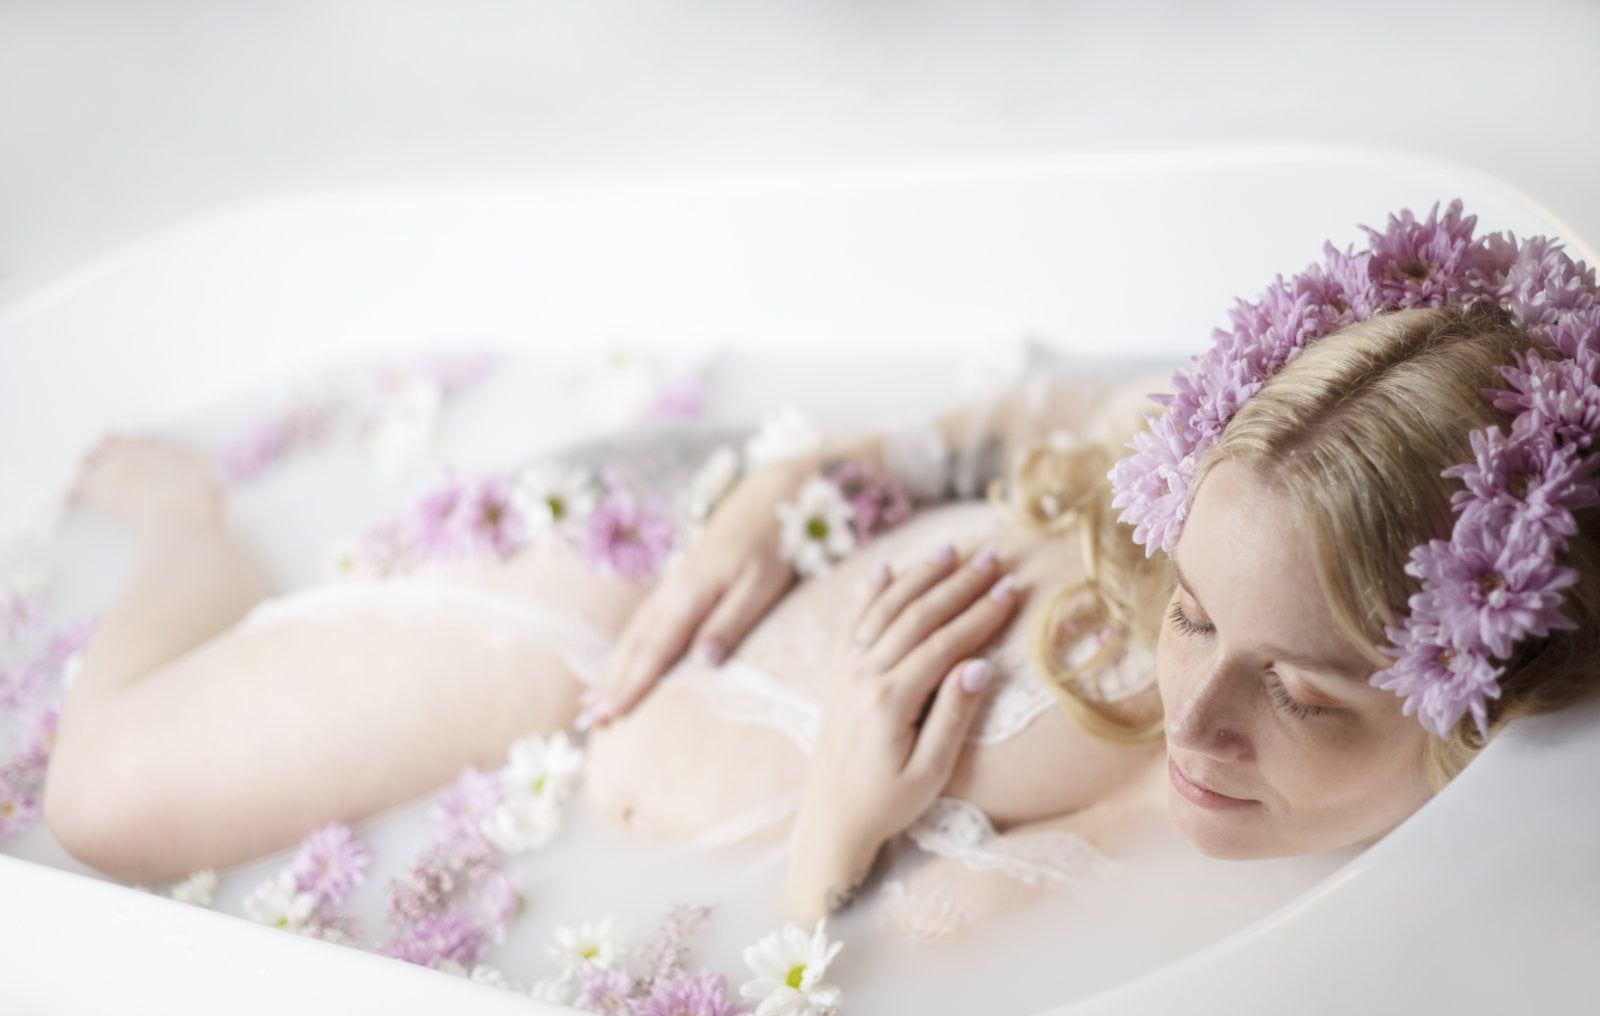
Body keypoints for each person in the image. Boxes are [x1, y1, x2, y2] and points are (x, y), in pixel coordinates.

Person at [42, 200, 1600, 938]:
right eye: (1190, 613)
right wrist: (806, 482)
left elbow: (834, 1009)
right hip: (637, 595)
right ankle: (198, 532)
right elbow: (1005, 422)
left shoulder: (1324, 865)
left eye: (1312, 698)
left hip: (607, 788)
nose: (1198, 716)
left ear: (1477, 699)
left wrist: (834, 842)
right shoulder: (1247, 459)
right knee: (99, 796)